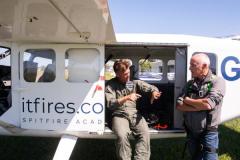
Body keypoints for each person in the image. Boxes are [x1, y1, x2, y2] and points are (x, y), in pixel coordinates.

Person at [105, 59, 161, 160]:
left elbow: (149, 87)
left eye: (128, 73)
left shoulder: (132, 82)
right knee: (121, 135)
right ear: (117, 74)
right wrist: (127, 97)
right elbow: (110, 103)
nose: (128, 75)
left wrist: (154, 92)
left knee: (144, 133)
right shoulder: (111, 85)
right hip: (119, 114)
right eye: (125, 74)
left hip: (134, 113)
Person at [177, 53, 226, 160]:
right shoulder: (190, 84)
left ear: (204, 66)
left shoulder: (217, 81)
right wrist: (200, 105)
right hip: (191, 131)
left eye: (193, 65)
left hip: (208, 132)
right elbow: (179, 105)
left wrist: (188, 100)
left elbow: (208, 104)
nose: (189, 68)